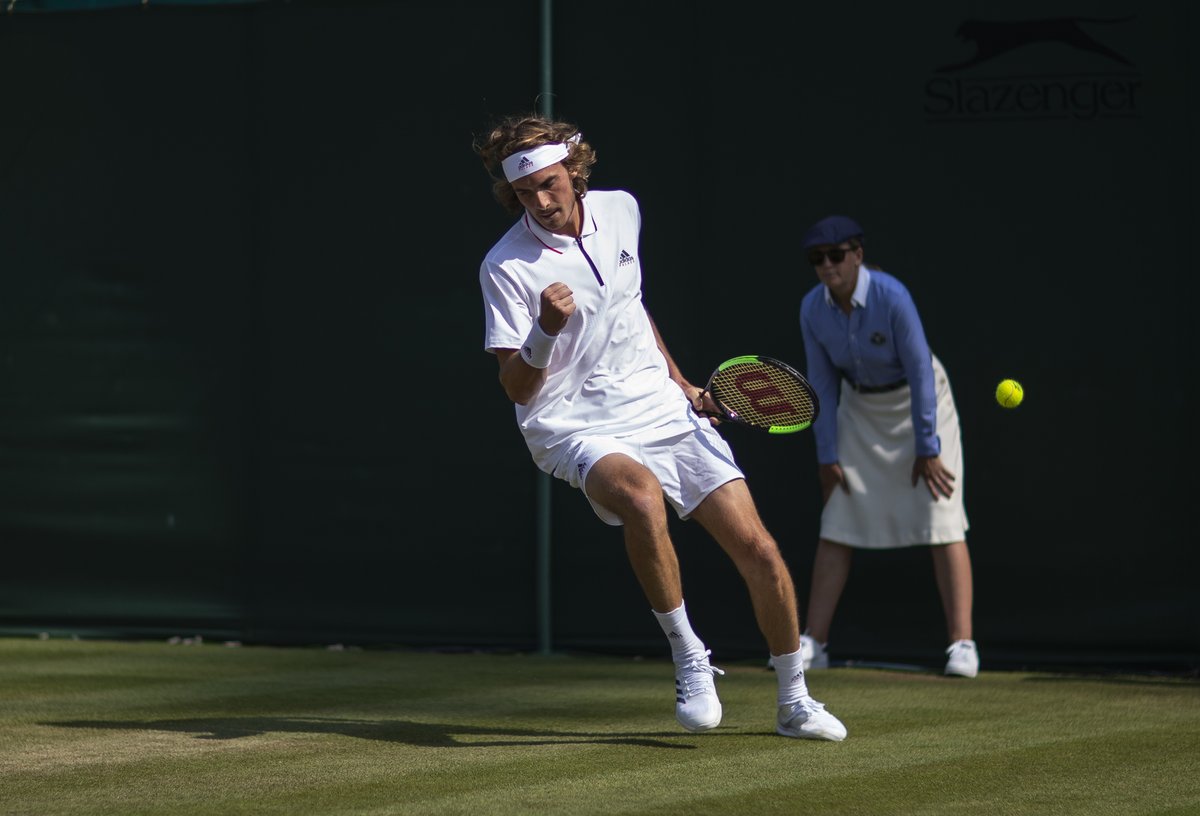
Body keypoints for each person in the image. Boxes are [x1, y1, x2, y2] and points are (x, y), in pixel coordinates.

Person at [474, 113, 847, 740]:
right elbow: (515, 387)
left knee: (759, 550)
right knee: (641, 497)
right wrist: (543, 330)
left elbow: (630, 306)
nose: (541, 200)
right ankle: (689, 656)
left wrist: (680, 384)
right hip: (568, 421)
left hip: (655, 401)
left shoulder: (623, 210)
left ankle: (794, 700)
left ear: (574, 171)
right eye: (525, 192)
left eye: (549, 183)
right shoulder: (505, 267)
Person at [796, 215, 978, 678]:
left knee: (943, 517)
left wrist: (928, 445)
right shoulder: (812, 309)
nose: (828, 266)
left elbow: (919, 370)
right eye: (818, 259)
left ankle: (962, 644)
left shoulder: (892, 296)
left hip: (923, 403)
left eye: (837, 255)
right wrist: (828, 456)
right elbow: (821, 383)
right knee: (837, 520)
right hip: (860, 410)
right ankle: (814, 642)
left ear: (857, 254)